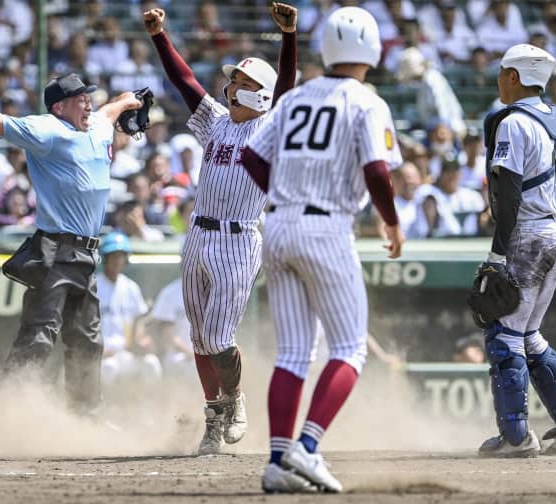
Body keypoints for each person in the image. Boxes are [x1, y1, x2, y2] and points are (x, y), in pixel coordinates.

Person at [242, 6, 404, 493]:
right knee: (350, 348)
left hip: (278, 225)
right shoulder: (366, 100)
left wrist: (283, 194)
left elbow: (252, 156)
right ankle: (307, 449)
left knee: (293, 352)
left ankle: (276, 461)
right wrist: (391, 221)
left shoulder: (293, 99)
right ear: (372, 49)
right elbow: (377, 170)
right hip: (327, 227)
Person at [0, 71, 143, 412]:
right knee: (39, 336)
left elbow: (114, 107)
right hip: (56, 250)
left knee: (87, 340)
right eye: (80, 99)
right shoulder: (46, 129)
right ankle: (8, 409)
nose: (88, 103)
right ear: (59, 106)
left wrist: (133, 99)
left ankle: (84, 413)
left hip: (87, 254)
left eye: (88, 97)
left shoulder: (98, 125)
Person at [143, 2, 298, 456]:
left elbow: (286, 90)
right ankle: (215, 416)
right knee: (198, 337)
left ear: (261, 94)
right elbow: (185, 82)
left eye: (245, 82)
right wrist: (159, 37)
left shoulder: (271, 127)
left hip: (238, 238)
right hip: (198, 236)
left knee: (216, 338)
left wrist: (288, 37)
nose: (233, 86)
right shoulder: (216, 122)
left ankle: (234, 399)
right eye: (235, 80)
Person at [478, 43, 556, 458]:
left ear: (514, 77)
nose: (499, 79)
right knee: (528, 335)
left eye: (502, 71)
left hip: (529, 234)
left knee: (503, 336)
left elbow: (508, 196)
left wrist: (497, 253)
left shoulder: (513, 122)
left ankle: (515, 437)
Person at [96, 232, 162, 386]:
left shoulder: (131, 287)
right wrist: (96, 350)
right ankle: (105, 407)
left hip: (126, 351)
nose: (117, 261)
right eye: (113, 256)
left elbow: (138, 321)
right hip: (103, 354)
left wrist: (140, 341)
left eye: (121, 256)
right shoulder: (94, 286)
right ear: (105, 258)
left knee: (151, 363)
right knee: (109, 368)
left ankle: (149, 404)